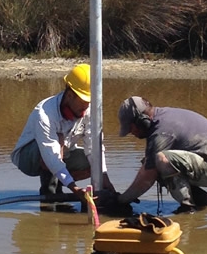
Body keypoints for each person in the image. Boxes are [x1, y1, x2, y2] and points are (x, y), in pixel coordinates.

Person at [11, 63, 127, 212]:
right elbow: (52, 158)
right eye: (83, 102)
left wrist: (104, 179)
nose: (86, 107)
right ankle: (49, 198)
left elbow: (94, 148)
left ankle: (60, 186)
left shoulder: (90, 111)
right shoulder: (45, 114)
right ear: (70, 95)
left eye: (89, 102)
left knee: (94, 166)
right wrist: (75, 189)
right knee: (58, 142)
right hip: (29, 158)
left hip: (63, 153)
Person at [114, 96, 207, 213]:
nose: (131, 133)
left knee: (162, 160)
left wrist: (121, 200)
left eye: (130, 128)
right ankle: (203, 201)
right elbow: (147, 167)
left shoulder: (161, 132)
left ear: (142, 121)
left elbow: (147, 176)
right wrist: (128, 195)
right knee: (151, 162)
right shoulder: (161, 118)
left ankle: (188, 209)